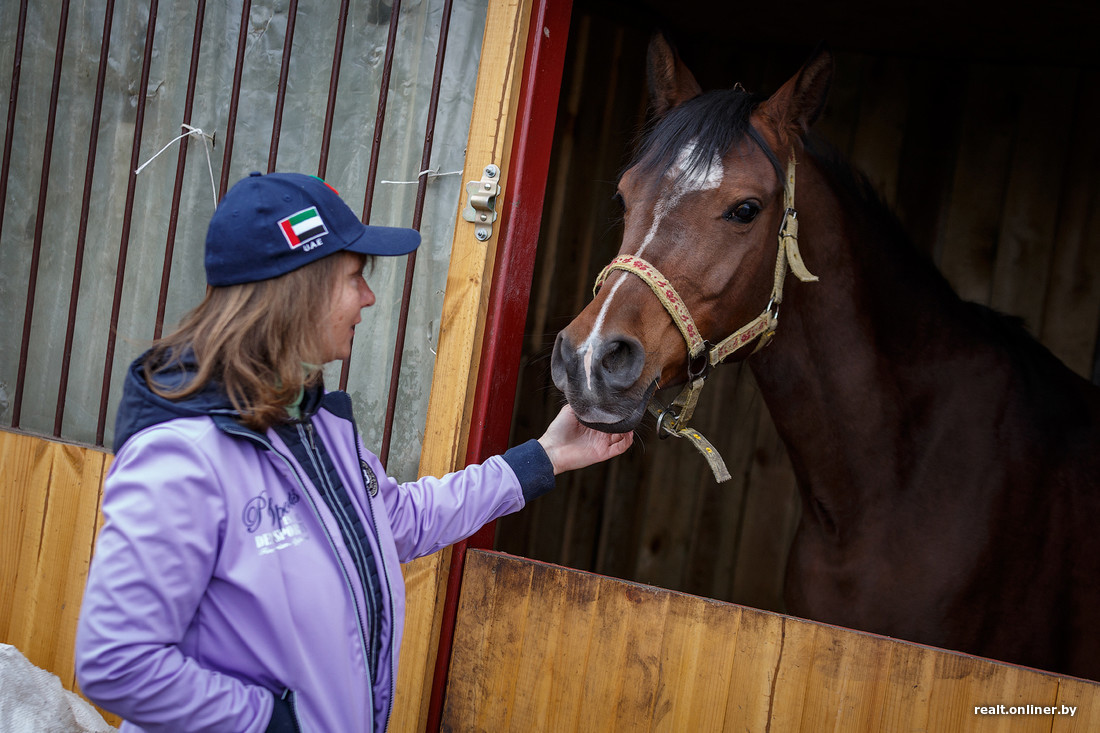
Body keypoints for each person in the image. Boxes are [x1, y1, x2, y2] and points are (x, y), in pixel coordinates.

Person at [74, 172, 633, 732]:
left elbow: (394, 522)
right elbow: (116, 661)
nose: (368, 297)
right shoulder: (181, 457)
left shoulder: (316, 424)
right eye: (354, 278)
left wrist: (546, 456)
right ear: (298, 289)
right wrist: (272, 725)